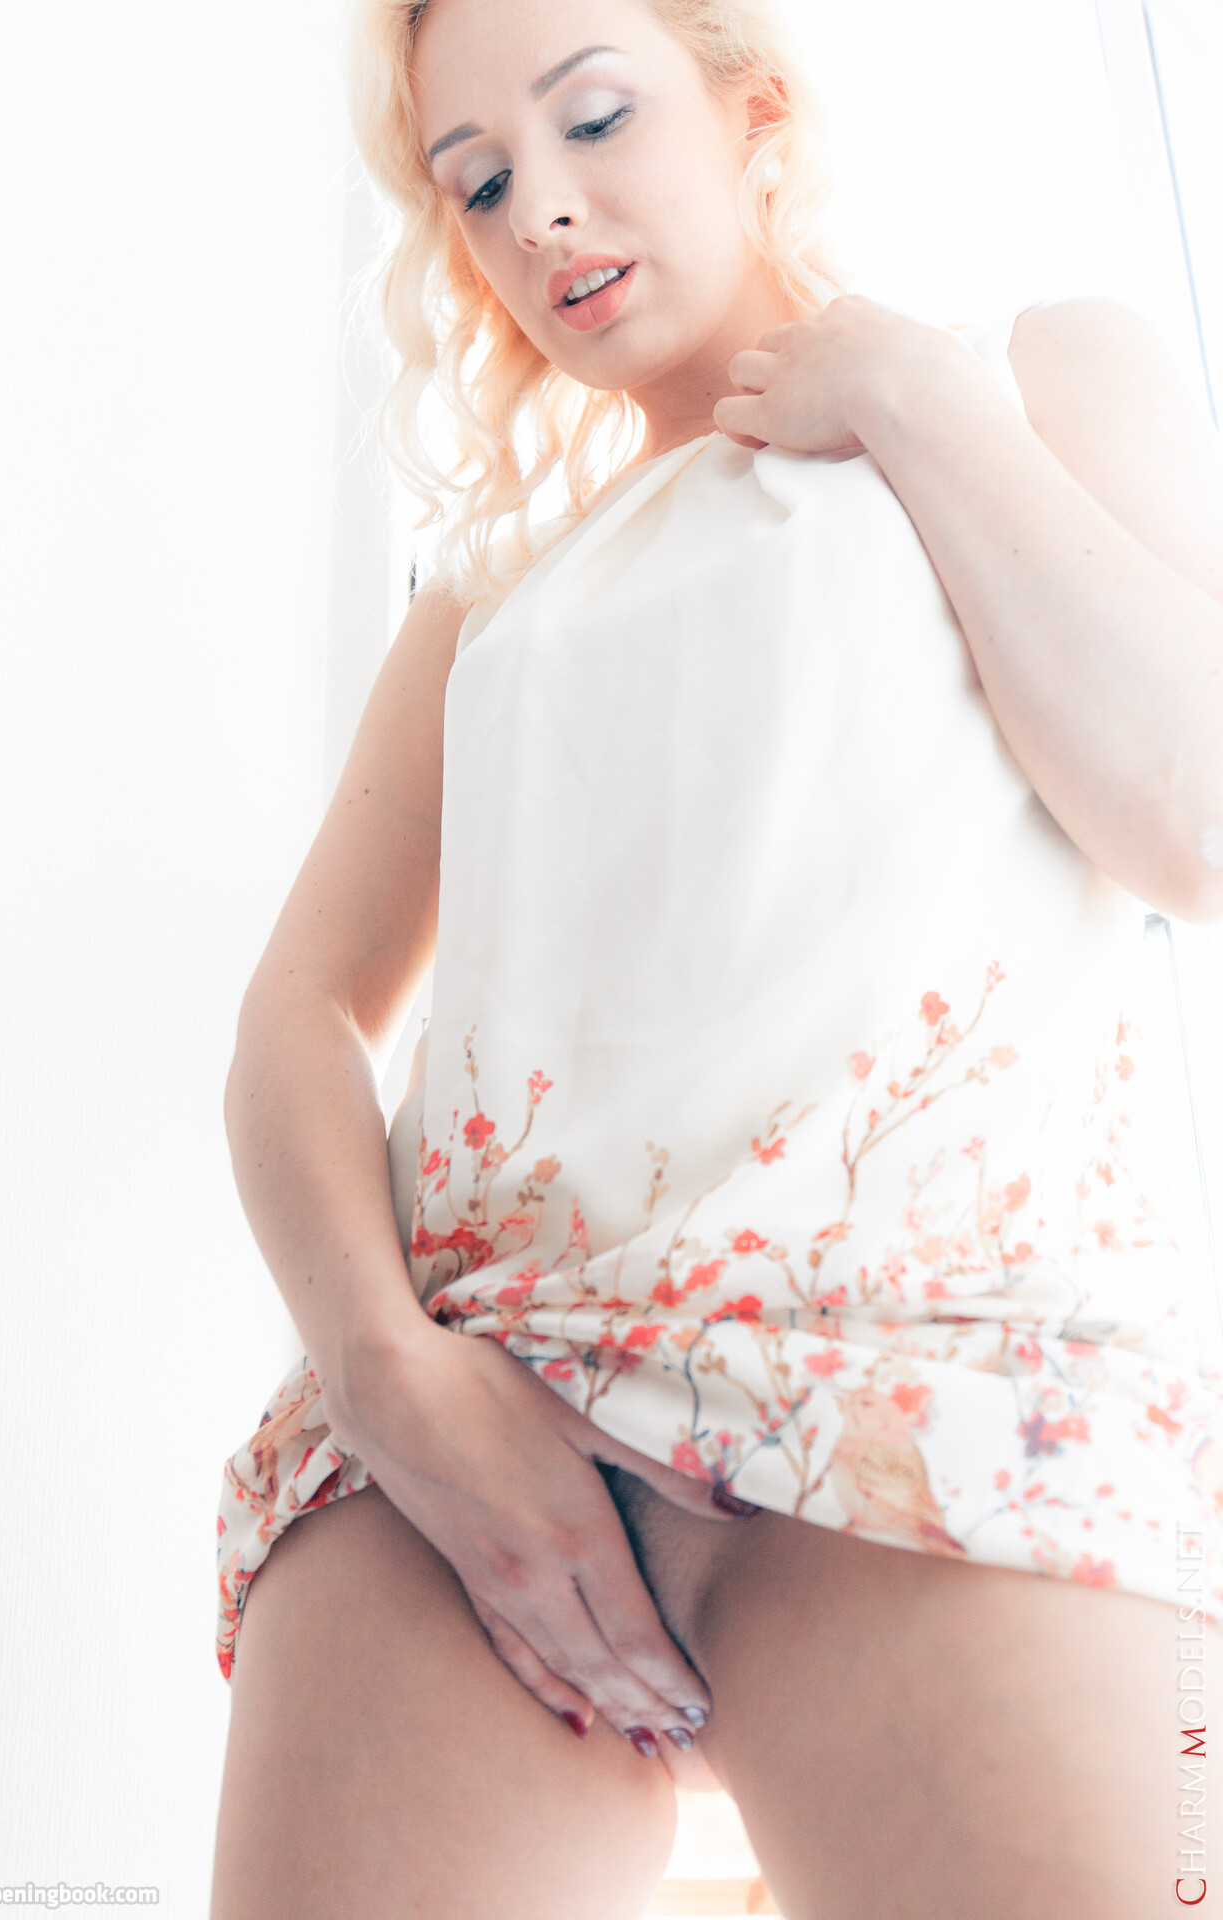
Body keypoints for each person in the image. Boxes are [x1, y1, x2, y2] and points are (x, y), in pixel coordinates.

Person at [208, 0, 1223, 1914]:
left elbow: (1197, 815)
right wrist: (382, 1370)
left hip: (932, 1365)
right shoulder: (488, 593)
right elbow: (298, 1014)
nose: (541, 211)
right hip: (481, 1419)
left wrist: (909, 397)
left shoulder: (1030, 369)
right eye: (479, 184)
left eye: (594, 121)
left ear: (754, 112)